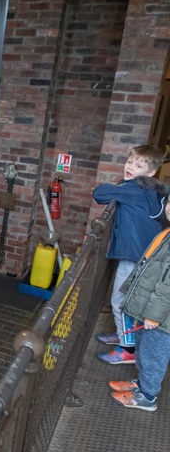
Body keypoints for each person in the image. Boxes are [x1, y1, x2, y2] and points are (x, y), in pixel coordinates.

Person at [93, 144, 166, 364]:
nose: (130, 166)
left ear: (151, 171)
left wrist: (121, 186)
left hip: (133, 257)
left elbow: (100, 193)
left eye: (138, 165)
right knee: (129, 299)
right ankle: (123, 334)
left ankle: (127, 349)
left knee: (120, 301)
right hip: (145, 256)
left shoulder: (134, 189)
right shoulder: (154, 190)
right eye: (129, 161)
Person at [110, 199, 170, 411]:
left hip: (163, 320)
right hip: (153, 313)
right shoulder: (167, 233)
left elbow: (167, 286)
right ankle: (142, 384)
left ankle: (147, 396)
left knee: (155, 354)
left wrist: (154, 315)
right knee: (145, 348)